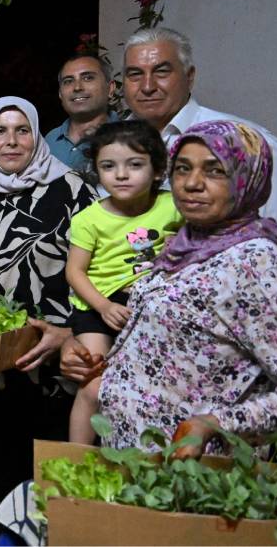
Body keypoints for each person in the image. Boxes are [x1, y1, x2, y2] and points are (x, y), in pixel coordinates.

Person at [67, 120, 277, 453]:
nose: (192, 183)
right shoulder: (183, 243)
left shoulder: (254, 262)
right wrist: (69, 340)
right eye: (183, 168)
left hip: (190, 468)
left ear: (247, 177)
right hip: (134, 461)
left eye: (215, 170)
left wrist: (215, 424)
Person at [0, 96, 96, 544]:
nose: (11, 141)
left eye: (22, 130)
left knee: (50, 483)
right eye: (0, 131)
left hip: (50, 369)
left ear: (36, 136)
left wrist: (69, 332)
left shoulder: (74, 191)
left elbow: (102, 278)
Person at [122, 27, 277, 269]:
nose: (148, 86)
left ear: (189, 76)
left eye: (161, 71)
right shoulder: (113, 144)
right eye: (135, 74)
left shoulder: (246, 141)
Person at [64, 120, 182, 444]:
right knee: (94, 385)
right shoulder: (88, 219)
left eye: (135, 165)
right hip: (97, 305)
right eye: (108, 166)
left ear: (158, 170)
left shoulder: (173, 206)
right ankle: (75, 460)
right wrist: (103, 307)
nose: (121, 174)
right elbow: (74, 272)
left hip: (154, 306)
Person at [44, 53, 119, 174]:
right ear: (60, 94)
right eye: (68, 81)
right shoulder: (49, 142)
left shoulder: (131, 137)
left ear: (110, 88)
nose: (77, 87)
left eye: (88, 78)